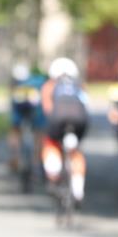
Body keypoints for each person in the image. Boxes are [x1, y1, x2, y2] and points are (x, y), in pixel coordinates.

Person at [40, 57, 88, 204]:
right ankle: (78, 190)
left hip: (58, 118)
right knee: (76, 152)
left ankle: (53, 175)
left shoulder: (50, 85)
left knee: (51, 144)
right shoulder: (80, 85)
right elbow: (86, 105)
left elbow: (47, 108)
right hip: (80, 119)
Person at [7, 63, 47, 173]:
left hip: (19, 107)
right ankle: (37, 161)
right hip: (35, 109)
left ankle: (15, 156)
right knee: (38, 133)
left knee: (15, 130)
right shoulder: (36, 81)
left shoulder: (15, 84)